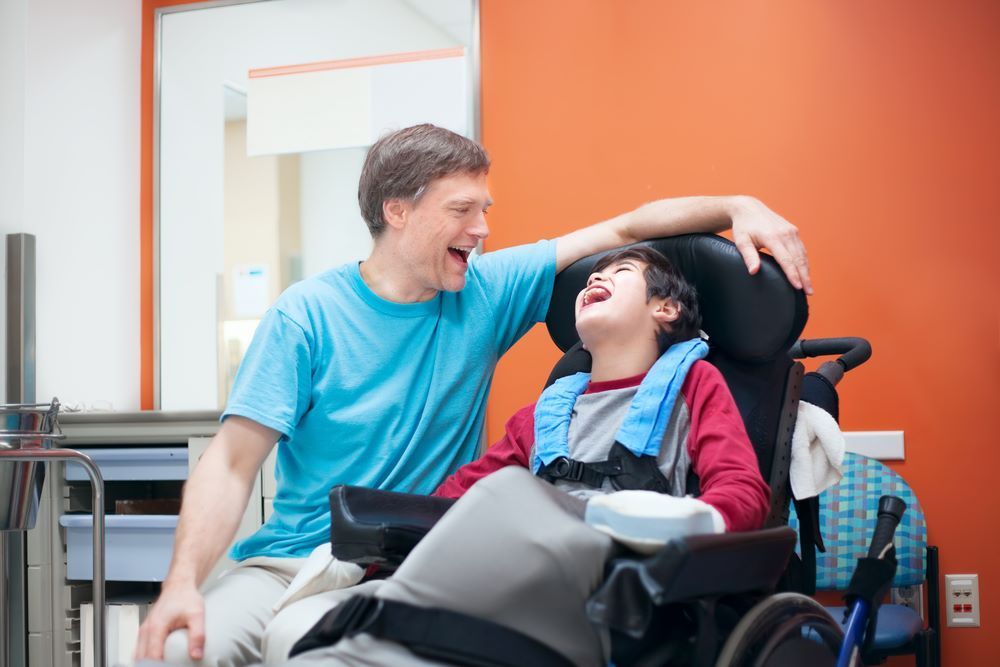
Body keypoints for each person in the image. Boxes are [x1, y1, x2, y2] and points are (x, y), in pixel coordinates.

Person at [135, 124, 810, 664]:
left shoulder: (488, 290)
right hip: (295, 556)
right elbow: (231, 463)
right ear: (398, 211)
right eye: (462, 210)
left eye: (483, 210)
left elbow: (632, 227)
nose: (483, 230)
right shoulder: (305, 315)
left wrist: (738, 206)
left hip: (413, 554)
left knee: (302, 643)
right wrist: (181, 583)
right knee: (172, 650)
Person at [280, 246, 770, 666]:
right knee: (299, 633)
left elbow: (744, 493)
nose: (595, 278)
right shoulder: (544, 415)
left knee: (510, 492)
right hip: (513, 582)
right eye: (593, 275)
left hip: (612, 591)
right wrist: (370, 548)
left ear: (666, 309)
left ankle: (379, 626)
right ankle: (372, 618)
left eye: (621, 272)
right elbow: (457, 498)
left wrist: (672, 520)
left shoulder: (694, 385)